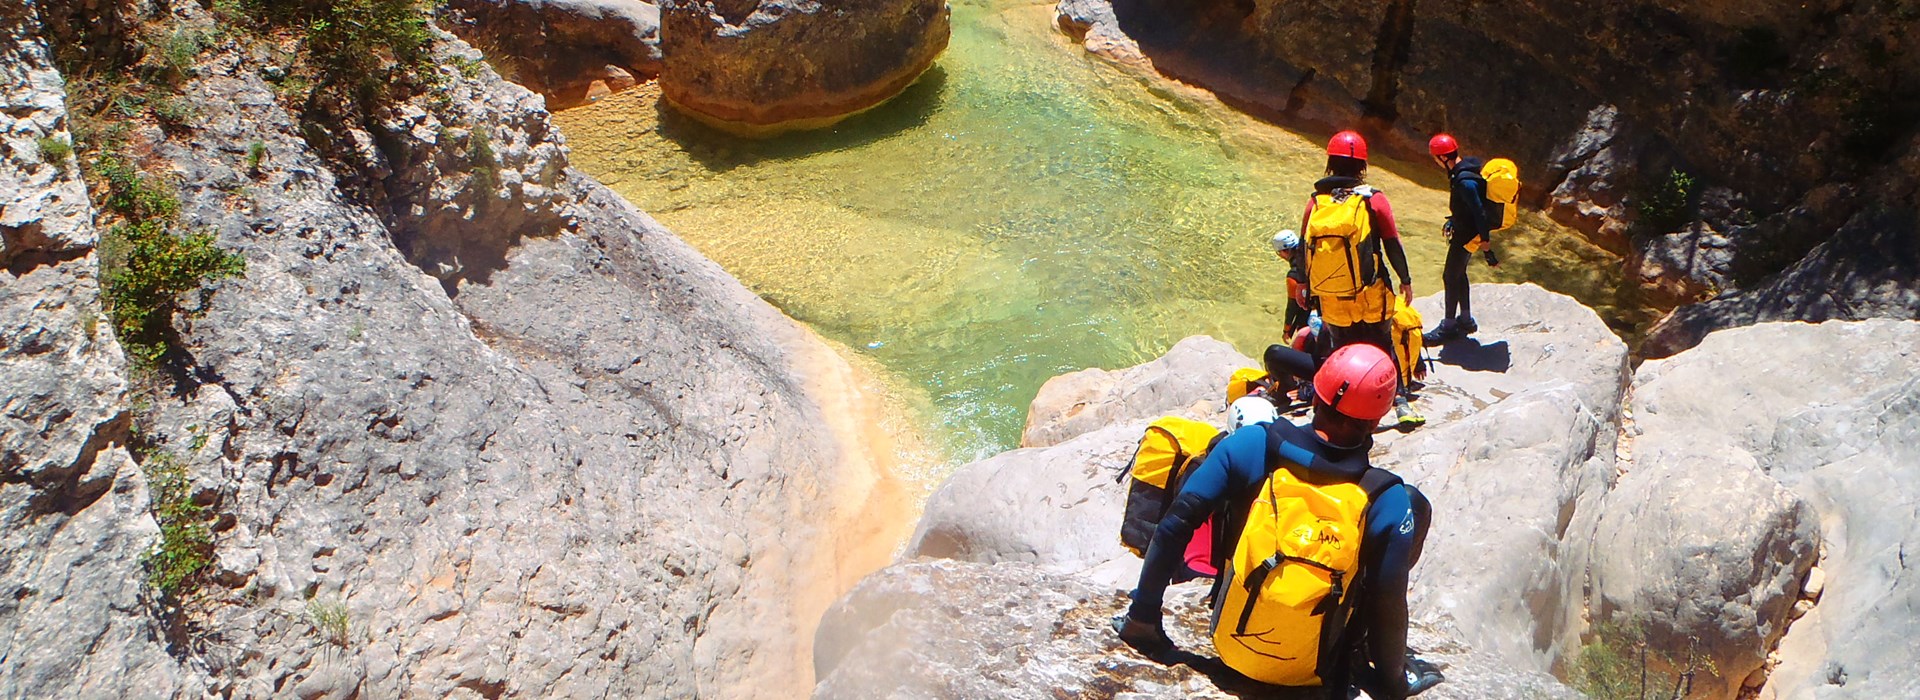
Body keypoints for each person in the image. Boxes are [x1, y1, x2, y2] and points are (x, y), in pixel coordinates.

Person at [1114, 345, 1441, 699]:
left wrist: (1142, 618)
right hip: (1315, 671)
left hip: (1230, 645)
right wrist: (1395, 681)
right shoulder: (1386, 499)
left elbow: (1176, 524)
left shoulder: (1252, 444)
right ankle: (1356, 645)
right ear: (1377, 419)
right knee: (1415, 504)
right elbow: (1389, 600)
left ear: (1316, 393)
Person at [1296, 131, 1421, 426]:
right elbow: (1392, 241)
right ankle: (1400, 403)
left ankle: (1342, 412)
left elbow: (1304, 246)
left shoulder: (1316, 203)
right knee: (1381, 346)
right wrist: (1405, 278)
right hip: (1370, 293)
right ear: (1362, 166)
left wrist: (1303, 284)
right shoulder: (1372, 199)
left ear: (1330, 163)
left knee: (1342, 353)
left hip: (1333, 296)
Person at [1423, 133, 1499, 345]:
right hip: (1467, 231)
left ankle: (1448, 327)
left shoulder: (1464, 181)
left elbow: (1480, 213)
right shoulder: (1464, 171)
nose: (1435, 162)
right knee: (1460, 273)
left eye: (1435, 158)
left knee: (1449, 276)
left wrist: (1486, 246)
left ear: (1443, 158)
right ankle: (1465, 320)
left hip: (1466, 235)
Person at [1272, 229, 1312, 342]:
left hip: (1310, 315)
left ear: (1285, 252)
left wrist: (1287, 330)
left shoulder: (1293, 276)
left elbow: (1292, 307)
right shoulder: (1311, 255)